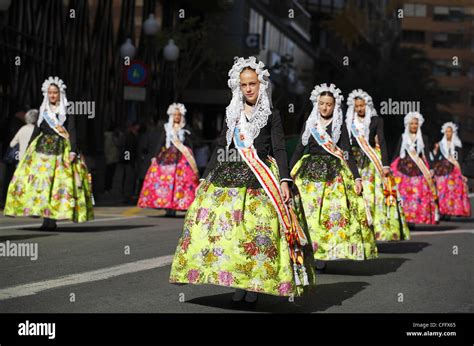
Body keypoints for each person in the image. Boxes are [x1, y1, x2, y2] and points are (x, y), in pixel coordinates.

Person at [169, 57, 314, 305]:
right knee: (228, 232)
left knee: (259, 230)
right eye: (244, 84)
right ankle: (238, 281)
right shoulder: (232, 113)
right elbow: (220, 147)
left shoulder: (272, 114)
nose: (248, 88)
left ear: (262, 85)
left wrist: (284, 179)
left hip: (261, 177)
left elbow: (279, 148)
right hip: (230, 174)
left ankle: (254, 284)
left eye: (253, 84)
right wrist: (205, 178)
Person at [290, 83, 378, 273]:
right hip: (308, 173)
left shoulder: (340, 126)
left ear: (334, 105)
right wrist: (287, 174)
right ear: (317, 104)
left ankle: (322, 255)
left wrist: (356, 177)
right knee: (308, 215)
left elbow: (346, 152)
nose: (324, 107)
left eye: (328, 104)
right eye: (322, 103)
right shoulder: (310, 124)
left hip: (333, 175)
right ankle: (307, 252)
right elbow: (299, 148)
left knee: (329, 216)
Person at [4, 76, 94, 229]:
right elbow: (36, 132)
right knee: (42, 185)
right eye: (50, 92)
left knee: (58, 185)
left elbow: (71, 131)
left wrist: (72, 151)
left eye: (55, 92)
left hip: (60, 151)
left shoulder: (65, 111)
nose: (53, 95)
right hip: (41, 151)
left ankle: (52, 218)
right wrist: (27, 151)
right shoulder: (43, 111)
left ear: (60, 94)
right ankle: (46, 219)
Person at [345, 89, 409, 241]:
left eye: (362, 105)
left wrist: (385, 165)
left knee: (371, 194)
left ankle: (376, 229)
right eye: (357, 106)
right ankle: (355, 229)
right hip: (353, 160)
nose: (360, 108)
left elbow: (382, 141)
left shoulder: (376, 120)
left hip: (370, 162)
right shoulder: (348, 121)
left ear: (367, 105)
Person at [138, 103, 199, 216]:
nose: (177, 117)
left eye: (179, 115)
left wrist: (190, 151)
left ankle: (179, 204)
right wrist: (155, 156)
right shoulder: (167, 127)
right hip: (168, 158)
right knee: (166, 181)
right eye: (175, 115)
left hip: (182, 159)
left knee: (181, 182)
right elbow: (161, 142)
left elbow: (191, 142)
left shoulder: (185, 128)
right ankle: (167, 205)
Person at [390, 112, 438, 224]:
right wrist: (389, 166)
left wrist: (430, 169)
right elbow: (397, 153)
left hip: (418, 169)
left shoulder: (423, 138)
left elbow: (426, 153)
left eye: (416, 123)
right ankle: (404, 218)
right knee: (404, 194)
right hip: (403, 168)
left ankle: (414, 218)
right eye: (411, 123)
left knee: (417, 195)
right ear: (408, 124)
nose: (414, 126)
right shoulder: (403, 137)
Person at [431, 122, 470, 217]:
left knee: (452, 191)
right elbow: (436, 158)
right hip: (442, 171)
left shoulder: (457, 146)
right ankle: (442, 210)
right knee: (442, 190)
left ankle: (452, 210)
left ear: (453, 133)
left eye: (450, 131)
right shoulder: (441, 145)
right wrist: (432, 169)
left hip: (454, 171)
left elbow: (459, 159)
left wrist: (462, 173)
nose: (448, 133)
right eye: (446, 132)